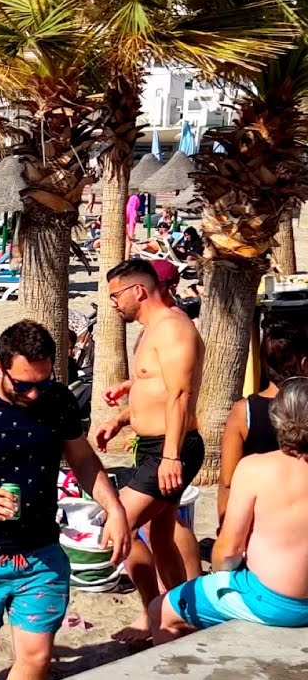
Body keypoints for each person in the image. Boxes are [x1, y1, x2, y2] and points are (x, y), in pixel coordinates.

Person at [0, 320, 129, 680]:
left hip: (40, 553)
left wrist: (114, 508)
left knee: (36, 656)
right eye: (22, 385)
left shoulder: (58, 400)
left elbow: (82, 459)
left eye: (42, 382)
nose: (34, 394)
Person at [95, 258, 206, 643]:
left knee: (117, 522)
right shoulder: (152, 329)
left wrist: (171, 456)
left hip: (171, 448)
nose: (113, 304)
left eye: (115, 296)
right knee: (159, 535)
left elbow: (180, 394)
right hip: (154, 446)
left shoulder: (173, 328)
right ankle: (176, 616)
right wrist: (121, 419)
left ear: (138, 291)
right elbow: (155, 388)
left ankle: (153, 612)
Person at [151, 378, 308, 643]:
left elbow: (228, 550)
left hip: (271, 600)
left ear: (277, 419)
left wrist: (221, 575)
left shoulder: (255, 468)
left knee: (160, 611)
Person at [218, 322, 308, 528]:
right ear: (304, 364)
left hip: (259, 519)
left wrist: (224, 527)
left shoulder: (244, 411)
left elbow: (227, 482)